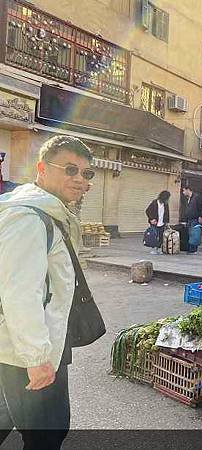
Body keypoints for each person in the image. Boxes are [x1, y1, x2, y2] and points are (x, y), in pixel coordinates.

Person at [0, 136, 97, 449]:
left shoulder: (47, 211)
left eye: (87, 173)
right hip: (27, 348)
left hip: (31, 342)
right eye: (70, 170)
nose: (80, 179)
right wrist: (37, 357)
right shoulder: (29, 218)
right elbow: (19, 292)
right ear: (41, 168)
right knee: (47, 434)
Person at [145, 190, 170, 255]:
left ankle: (158, 248)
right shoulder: (154, 203)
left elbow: (167, 213)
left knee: (161, 236)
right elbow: (147, 211)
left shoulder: (166, 204)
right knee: (154, 236)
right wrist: (151, 219)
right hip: (155, 222)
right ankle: (153, 249)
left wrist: (167, 222)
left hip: (162, 222)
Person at [182, 186, 202, 254]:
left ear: (188, 190)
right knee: (190, 233)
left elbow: (201, 207)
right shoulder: (188, 199)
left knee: (195, 233)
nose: (183, 193)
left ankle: (193, 249)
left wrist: (200, 216)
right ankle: (190, 248)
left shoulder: (196, 197)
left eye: (184, 191)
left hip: (195, 219)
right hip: (189, 219)